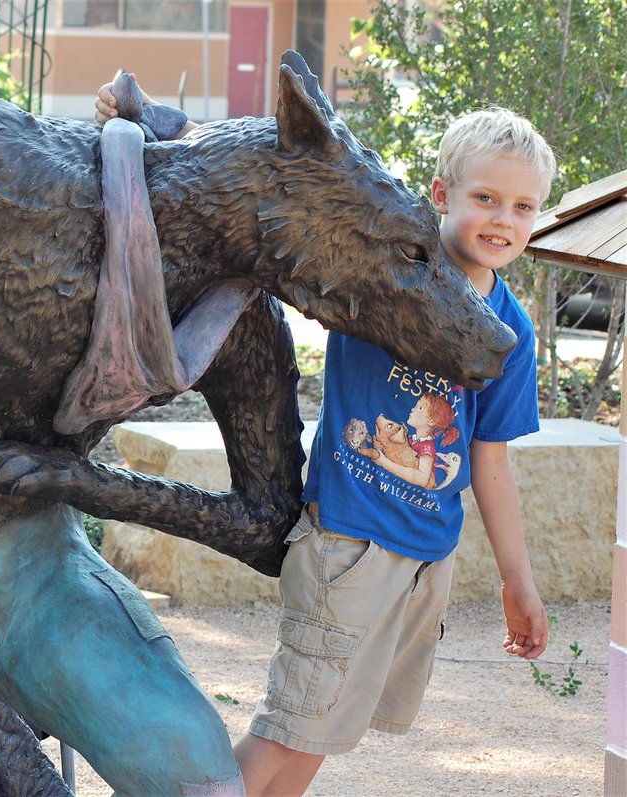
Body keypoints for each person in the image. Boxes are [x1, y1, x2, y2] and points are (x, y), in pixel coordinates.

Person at [96, 84, 553, 795]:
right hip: (350, 545)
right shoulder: (386, 264)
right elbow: (287, 178)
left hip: (422, 562)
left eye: (522, 206)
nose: (503, 219)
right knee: (287, 730)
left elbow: (488, 459)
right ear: (441, 193)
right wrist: (152, 121)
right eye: (487, 198)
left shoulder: (512, 332)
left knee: (318, 736)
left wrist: (516, 579)